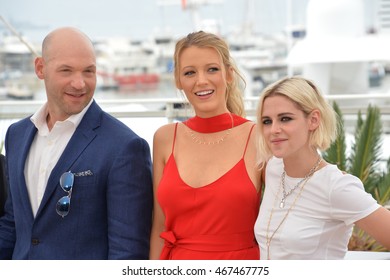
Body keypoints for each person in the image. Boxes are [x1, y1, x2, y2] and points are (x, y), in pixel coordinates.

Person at [0, 27, 153, 259]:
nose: (80, 83)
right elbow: (14, 224)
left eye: (89, 71)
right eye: (66, 71)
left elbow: (128, 252)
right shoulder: (16, 135)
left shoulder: (125, 147)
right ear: (40, 68)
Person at [150, 31, 262, 260]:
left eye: (212, 69)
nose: (201, 80)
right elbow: (158, 227)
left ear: (229, 74)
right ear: (179, 81)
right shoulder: (164, 138)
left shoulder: (258, 136)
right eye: (190, 72)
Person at [254, 76, 390, 259]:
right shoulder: (272, 169)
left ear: (313, 120)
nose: (273, 130)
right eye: (267, 121)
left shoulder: (336, 187)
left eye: (285, 119)